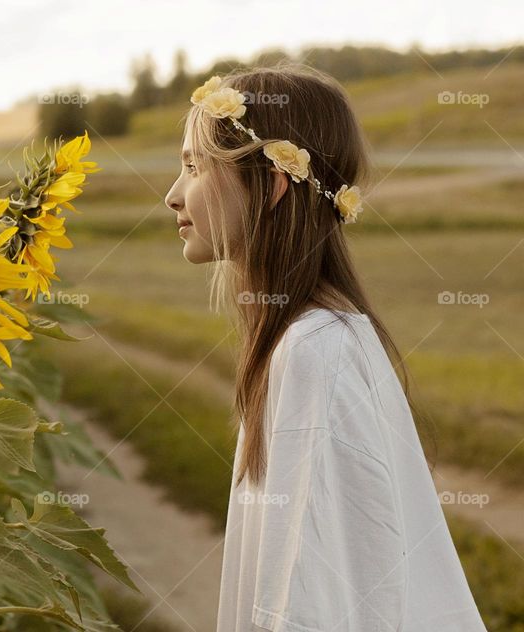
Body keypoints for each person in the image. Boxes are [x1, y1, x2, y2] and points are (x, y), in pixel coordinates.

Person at [164, 64, 488, 631]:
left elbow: (305, 600)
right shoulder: (310, 339)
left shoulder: (315, 352)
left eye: (193, 167)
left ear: (272, 184)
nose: (173, 195)